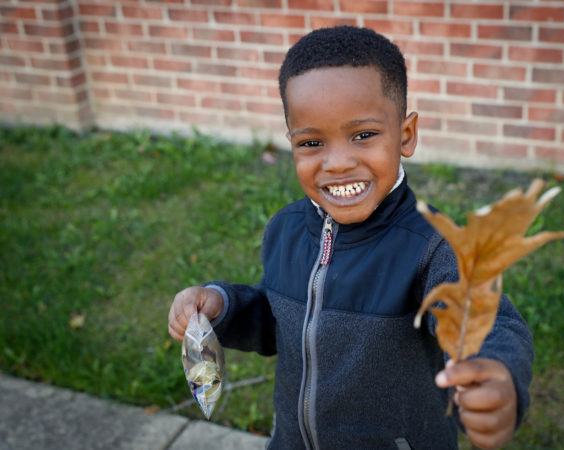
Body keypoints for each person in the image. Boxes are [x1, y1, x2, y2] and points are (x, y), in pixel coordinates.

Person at [168, 26, 533, 450]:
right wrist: (221, 307)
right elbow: (276, 324)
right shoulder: (285, 230)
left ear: (406, 135)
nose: (338, 162)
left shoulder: (432, 245)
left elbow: (485, 320)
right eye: (312, 142)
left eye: (363, 135)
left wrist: (495, 372)